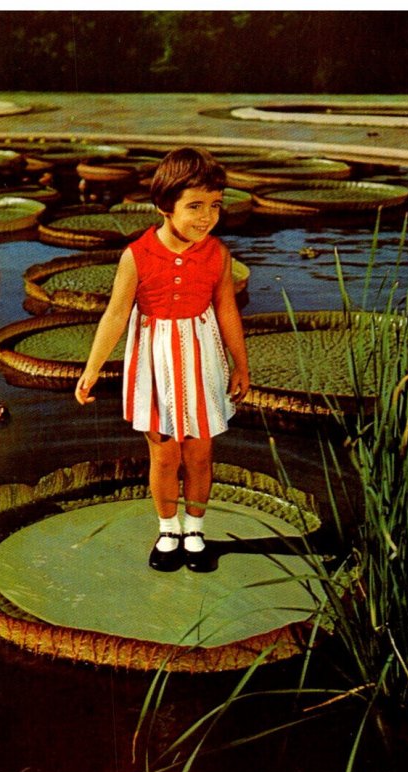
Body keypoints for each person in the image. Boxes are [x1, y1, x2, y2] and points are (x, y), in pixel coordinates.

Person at [75, 147, 250, 572]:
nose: (207, 217)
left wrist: (241, 364)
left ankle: (195, 528)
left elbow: (227, 310)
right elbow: (116, 314)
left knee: (200, 453)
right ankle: (168, 528)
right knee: (164, 455)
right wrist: (93, 367)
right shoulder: (136, 255)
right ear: (163, 206)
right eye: (195, 206)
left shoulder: (218, 255)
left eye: (215, 205)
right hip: (154, 364)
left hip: (202, 357)